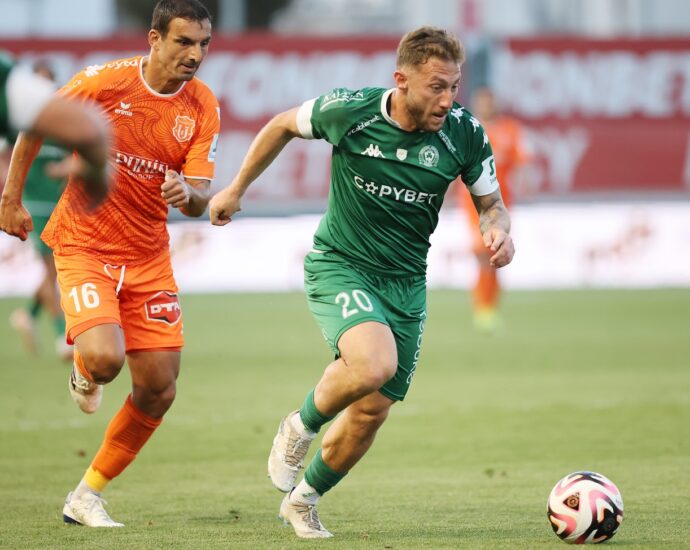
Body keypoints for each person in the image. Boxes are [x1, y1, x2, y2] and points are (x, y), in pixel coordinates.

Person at [209, 26, 514, 539]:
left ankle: (303, 500)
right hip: (341, 264)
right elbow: (282, 125)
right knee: (374, 364)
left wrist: (498, 230)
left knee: (372, 411)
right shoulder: (350, 111)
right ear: (401, 80)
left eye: (454, 86)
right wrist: (236, 188)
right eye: (436, 86)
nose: (447, 99)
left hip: (406, 284)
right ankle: (300, 425)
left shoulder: (464, 132)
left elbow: (492, 205)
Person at [1, 0, 219, 528]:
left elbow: (201, 197)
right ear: (154, 38)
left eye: (203, 44)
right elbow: (33, 126)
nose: (195, 54)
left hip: (148, 257)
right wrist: (10, 198)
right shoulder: (103, 82)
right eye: (184, 42)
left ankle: (86, 495)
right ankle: (84, 370)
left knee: (160, 388)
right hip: (85, 243)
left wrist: (188, 195)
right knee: (104, 360)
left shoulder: (202, 105)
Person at [0, 53, 110, 238]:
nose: (42, 86)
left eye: (47, 81)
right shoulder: (30, 115)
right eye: (38, 81)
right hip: (32, 196)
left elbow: (83, 139)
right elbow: (89, 131)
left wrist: (69, 167)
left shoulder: (48, 117)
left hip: (57, 196)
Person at [8, 61, 73, 360]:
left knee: (54, 270)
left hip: (59, 206)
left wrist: (66, 169)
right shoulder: (20, 124)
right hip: (32, 206)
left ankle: (28, 315)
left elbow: (77, 159)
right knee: (52, 271)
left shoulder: (62, 126)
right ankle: (62, 337)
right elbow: (6, 160)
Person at [458, 86, 530, 332]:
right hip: (472, 203)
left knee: (495, 254)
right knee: (482, 253)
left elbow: (522, 161)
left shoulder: (510, 129)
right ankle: (483, 309)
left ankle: (489, 306)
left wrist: (525, 181)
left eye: (489, 102)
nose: (486, 107)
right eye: (482, 102)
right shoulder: (468, 129)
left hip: (501, 203)